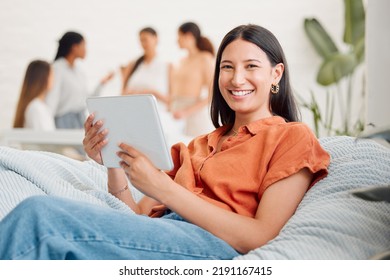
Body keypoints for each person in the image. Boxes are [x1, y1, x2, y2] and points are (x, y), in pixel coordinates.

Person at [0, 24, 330, 260]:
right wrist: (113, 160)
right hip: (162, 236)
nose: (236, 78)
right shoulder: (197, 145)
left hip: (209, 246)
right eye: (227, 67)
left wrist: (164, 188)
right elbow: (136, 218)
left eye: (251, 67)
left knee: (39, 217)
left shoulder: (291, 137)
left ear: (276, 74)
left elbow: (262, 235)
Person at [121, 27, 180, 143]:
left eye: (146, 39)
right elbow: (122, 93)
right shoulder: (133, 65)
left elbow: (172, 100)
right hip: (133, 117)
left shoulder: (167, 66)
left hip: (157, 119)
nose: (143, 43)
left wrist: (152, 93)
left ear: (156, 39)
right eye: (141, 40)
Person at [45, 31, 113, 129]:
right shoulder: (57, 69)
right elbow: (51, 99)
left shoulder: (79, 72)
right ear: (74, 47)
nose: (86, 50)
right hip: (63, 122)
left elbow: (86, 99)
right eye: (84, 45)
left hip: (79, 122)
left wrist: (101, 84)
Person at [169, 22, 215, 137]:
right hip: (175, 115)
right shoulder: (182, 60)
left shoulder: (205, 58)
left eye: (179, 36)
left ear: (188, 36)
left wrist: (186, 112)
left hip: (193, 116)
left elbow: (213, 92)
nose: (177, 41)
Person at [13, 60, 55, 130]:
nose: (54, 79)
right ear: (44, 77)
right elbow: (44, 138)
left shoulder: (38, 106)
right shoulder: (36, 107)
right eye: (52, 75)